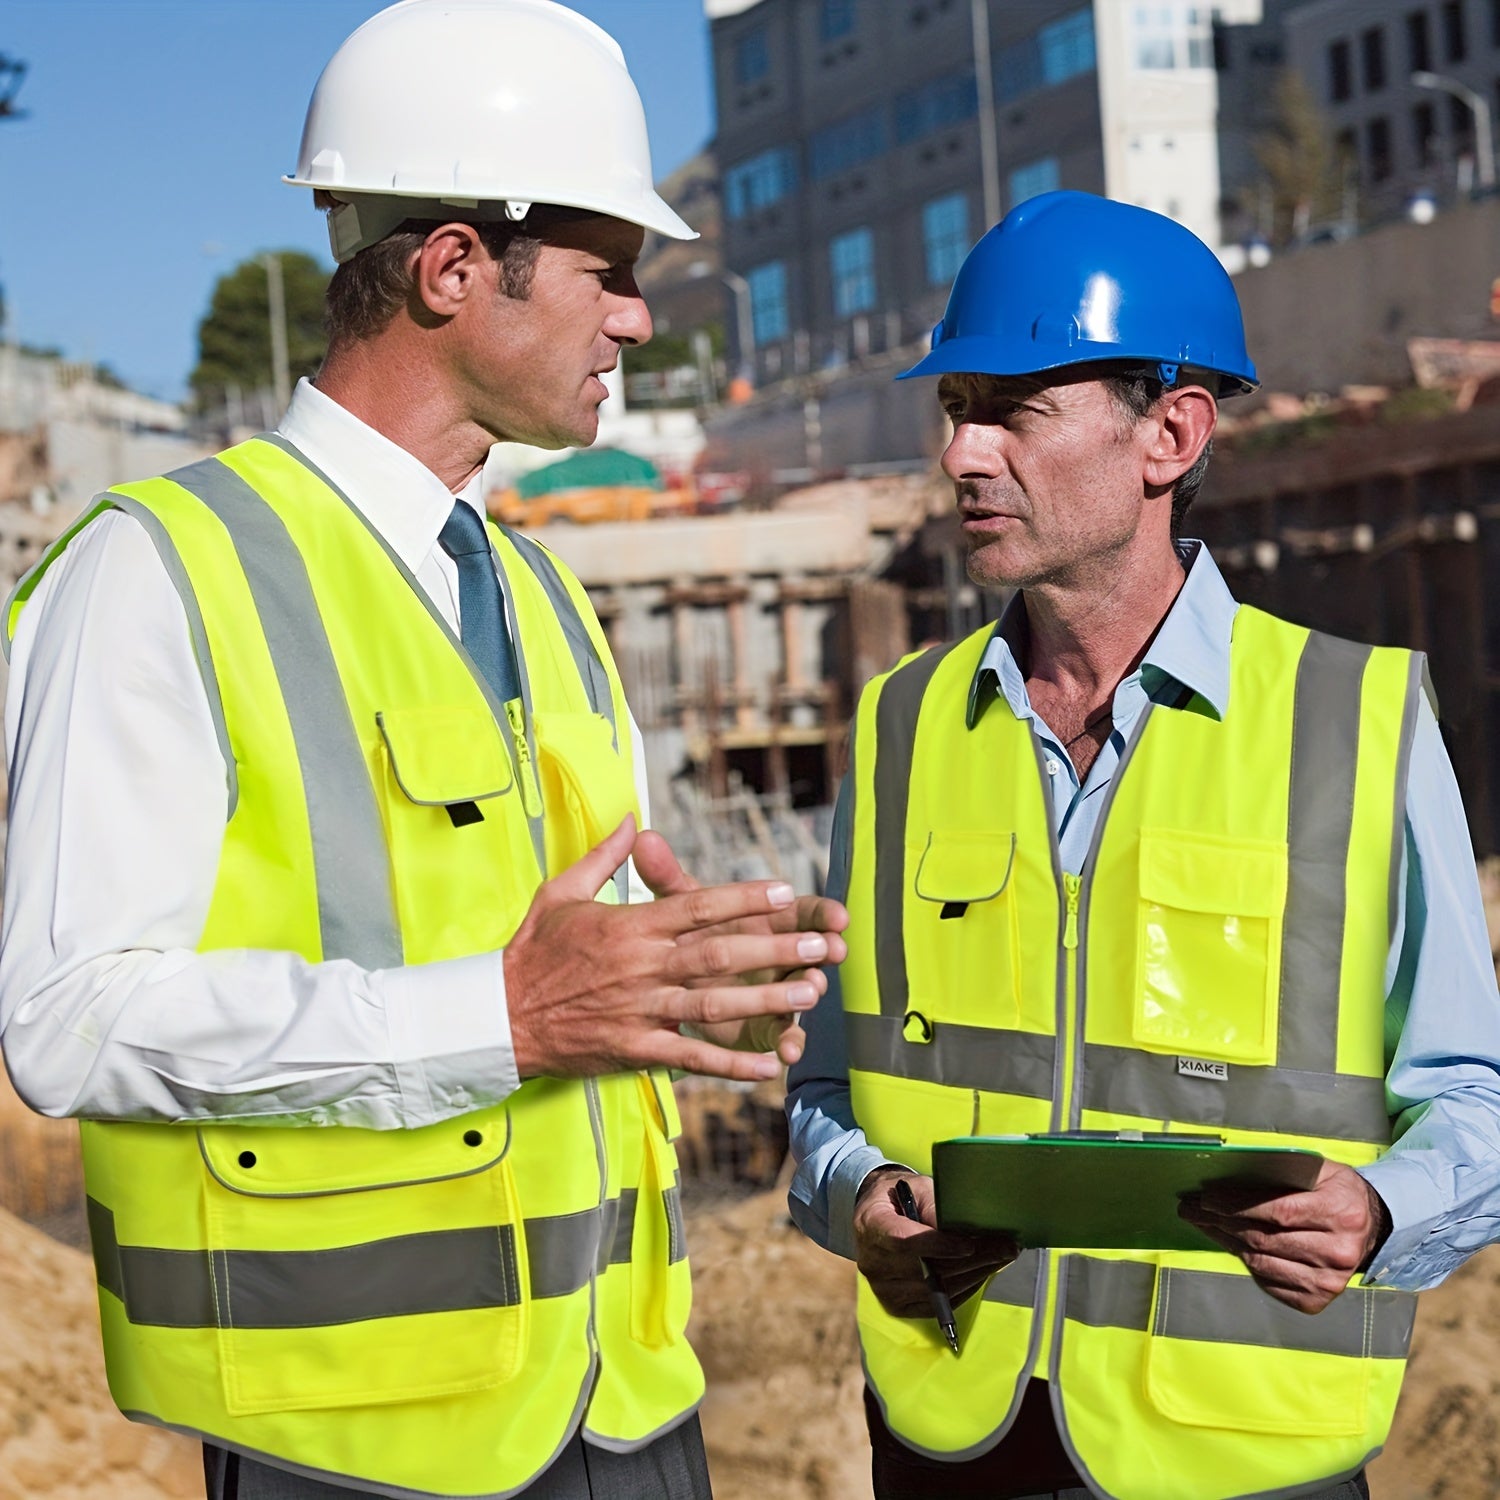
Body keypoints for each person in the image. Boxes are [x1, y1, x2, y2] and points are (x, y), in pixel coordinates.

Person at [0, 4, 846, 1498]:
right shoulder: (158, 571)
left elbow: (575, 965)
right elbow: (69, 1019)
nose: (639, 321)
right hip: (351, 1439)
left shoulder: (542, 593)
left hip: (629, 1408)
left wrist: (690, 988)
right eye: (608, 271)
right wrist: (500, 1016)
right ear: (454, 269)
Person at [785, 190, 1500, 1500]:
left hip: (1245, 1451)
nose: (962, 455)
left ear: (1172, 434)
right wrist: (855, 1198)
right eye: (955, 409)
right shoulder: (898, 731)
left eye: (1015, 410)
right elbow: (830, 1085)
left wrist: (1385, 1212)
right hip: (958, 1441)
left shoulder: (1355, 723)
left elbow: (1473, 1093)